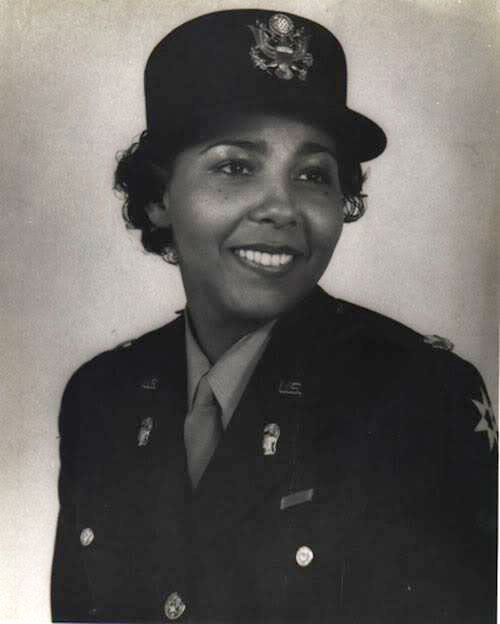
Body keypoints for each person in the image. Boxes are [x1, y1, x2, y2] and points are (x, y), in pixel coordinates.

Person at [51, 9, 497, 623]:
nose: (283, 207)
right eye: (235, 166)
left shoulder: (420, 398)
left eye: (314, 175)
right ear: (158, 197)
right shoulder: (99, 397)